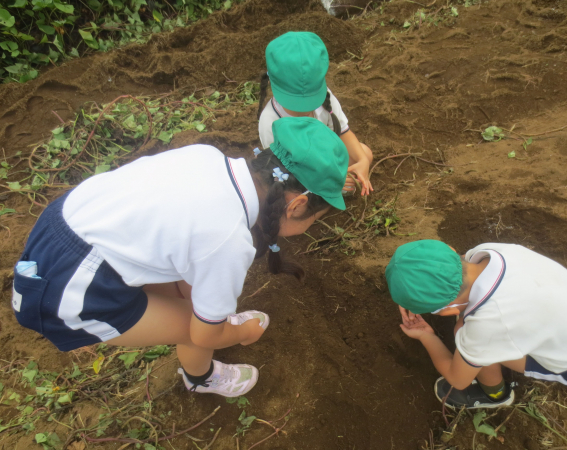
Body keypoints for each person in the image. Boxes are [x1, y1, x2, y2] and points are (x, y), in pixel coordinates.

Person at [12, 117, 348, 398]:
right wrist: (242, 332)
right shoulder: (228, 240)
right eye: (315, 219)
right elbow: (203, 335)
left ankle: (209, 320)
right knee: (195, 328)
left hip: (62, 230)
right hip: (71, 289)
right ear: (297, 205)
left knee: (201, 311)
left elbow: (183, 234)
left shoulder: (206, 156)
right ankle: (200, 378)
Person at [385, 240, 567, 408]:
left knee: (470, 341)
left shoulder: (488, 325)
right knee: (471, 333)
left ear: (448, 311)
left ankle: (496, 395)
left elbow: (457, 379)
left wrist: (427, 336)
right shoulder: (488, 252)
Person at [257, 31, 374, 196]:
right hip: (298, 177)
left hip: (327, 163)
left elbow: (343, 133)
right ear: (271, 82)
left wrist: (362, 162)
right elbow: (282, 171)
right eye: (295, 102)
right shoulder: (270, 122)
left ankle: (330, 193)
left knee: (365, 153)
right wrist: (325, 182)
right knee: (283, 194)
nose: (304, 108)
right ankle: (324, 195)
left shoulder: (326, 98)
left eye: (309, 100)